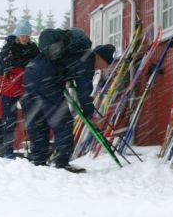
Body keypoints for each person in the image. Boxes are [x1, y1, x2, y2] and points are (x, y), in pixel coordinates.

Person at [22, 28, 114, 173]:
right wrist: (90, 114)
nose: (103, 69)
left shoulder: (73, 54)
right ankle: (62, 162)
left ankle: (38, 160)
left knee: (38, 119)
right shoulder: (87, 60)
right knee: (62, 121)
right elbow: (84, 92)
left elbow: (69, 71)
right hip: (46, 78)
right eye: (105, 65)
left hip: (30, 72)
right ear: (100, 58)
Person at [0, 19, 39, 158]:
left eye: (27, 35)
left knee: (31, 118)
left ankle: (34, 150)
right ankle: (8, 150)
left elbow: (38, 63)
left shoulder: (33, 48)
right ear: (17, 36)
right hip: (10, 88)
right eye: (22, 35)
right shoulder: (9, 47)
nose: (24, 38)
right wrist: (8, 66)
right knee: (9, 120)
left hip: (26, 87)